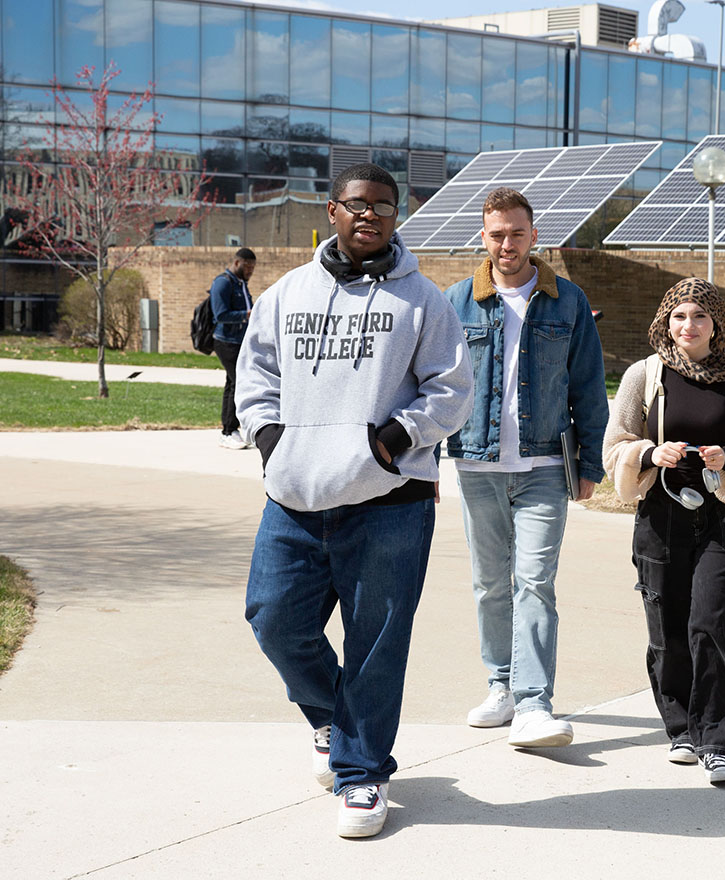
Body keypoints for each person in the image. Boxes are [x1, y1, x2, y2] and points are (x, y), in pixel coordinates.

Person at [236, 163, 472, 839]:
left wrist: (393, 441)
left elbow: (451, 390)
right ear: (332, 210)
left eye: (385, 208)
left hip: (389, 500)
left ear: (396, 219)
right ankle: (332, 720)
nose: (371, 216)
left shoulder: (424, 300)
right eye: (359, 205)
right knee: (274, 619)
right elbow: (254, 376)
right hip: (296, 494)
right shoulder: (286, 294)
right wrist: (275, 441)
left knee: (375, 644)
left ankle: (362, 772)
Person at [444, 187, 608, 749]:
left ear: (534, 235)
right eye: (496, 234)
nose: (506, 243)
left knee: (534, 582)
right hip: (476, 464)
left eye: (517, 233)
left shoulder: (568, 301)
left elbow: (589, 388)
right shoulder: (456, 302)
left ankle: (536, 704)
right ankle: (502, 686)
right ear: (483, 237)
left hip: (543, 466)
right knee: (491, 584)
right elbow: (432, 388)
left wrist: (590, 464)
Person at [602, 277, 725, 784]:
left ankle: (716, 741)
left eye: (699, 316)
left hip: (722, 518)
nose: (688, 325)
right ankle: (679, 727)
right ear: (665, 321)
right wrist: (649, 454)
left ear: (715, 324)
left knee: (711, 623)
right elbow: (615, 445)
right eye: (679, 316)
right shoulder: (644, 375)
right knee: (669, 630)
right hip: (661, 517)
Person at [211, 246, 256, 449]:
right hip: (225, 342)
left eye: (252, 268)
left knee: (232, 384)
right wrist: (245, 315)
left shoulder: (241, 284)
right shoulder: (223, 283)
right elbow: (220, 314)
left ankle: (230, 430)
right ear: (237, 263)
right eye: (247, 267)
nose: (250, 271)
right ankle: (229, 431)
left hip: (239, 341)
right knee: (240, 383)